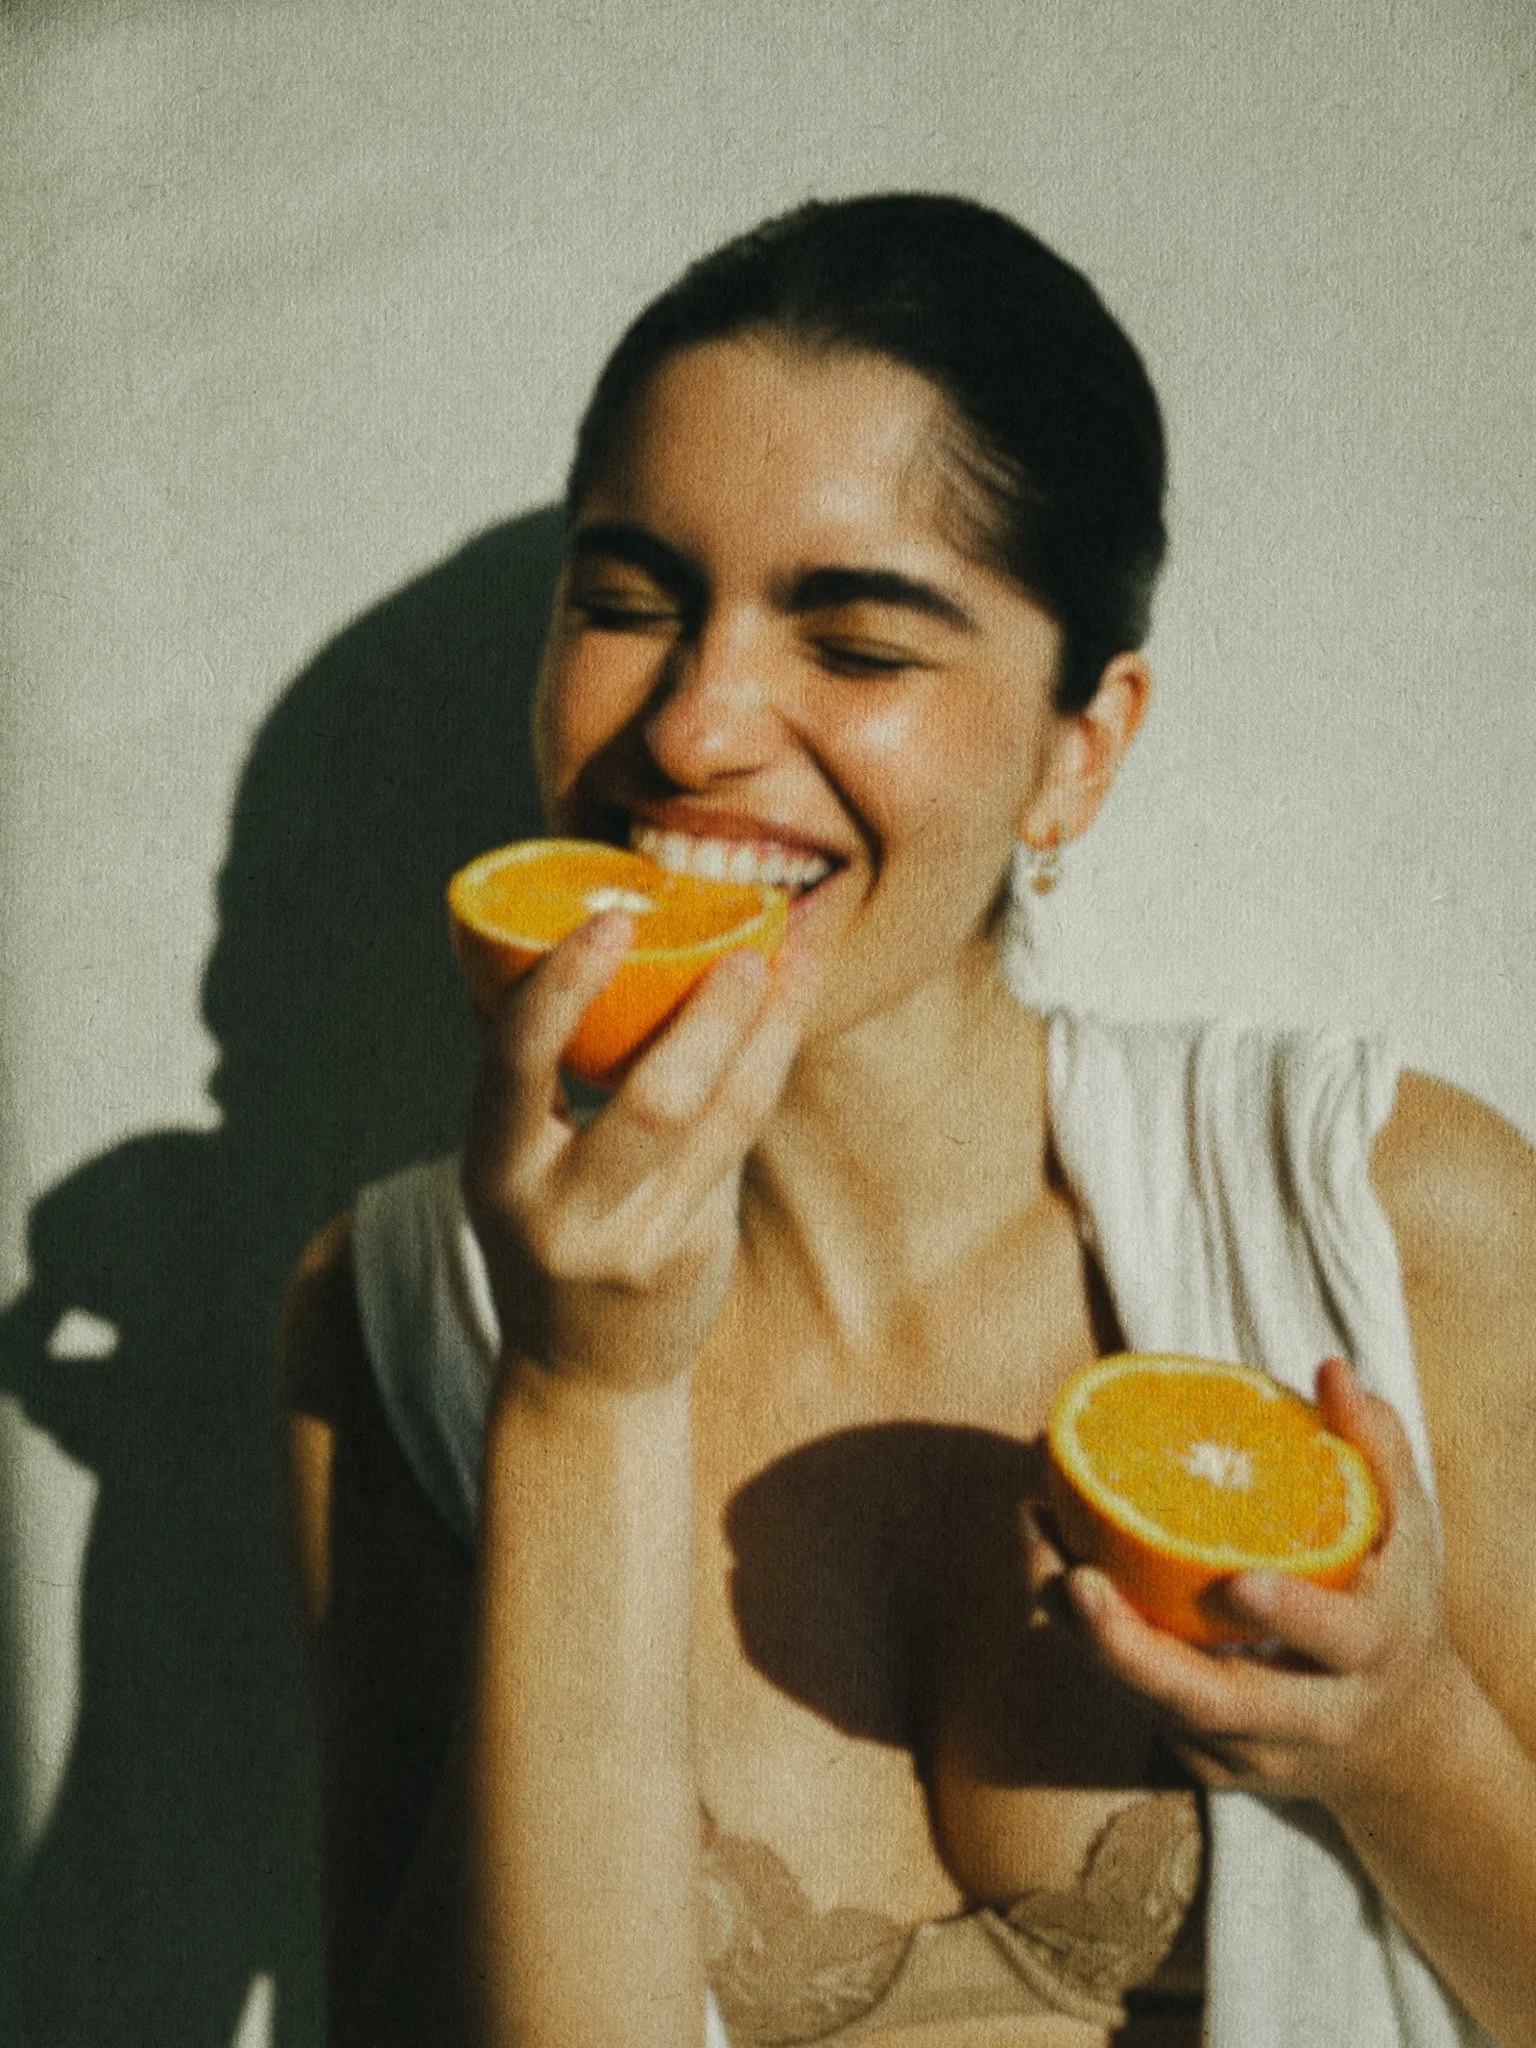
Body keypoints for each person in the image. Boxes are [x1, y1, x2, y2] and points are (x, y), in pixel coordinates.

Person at [276, 195, 1536, 2048]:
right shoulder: (396, 1317)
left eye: (858, 646)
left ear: (1078, 751)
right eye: (629, 606)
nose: (695, 728)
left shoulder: (1386, 1216)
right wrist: (581, 1393)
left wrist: (1405, 1741)